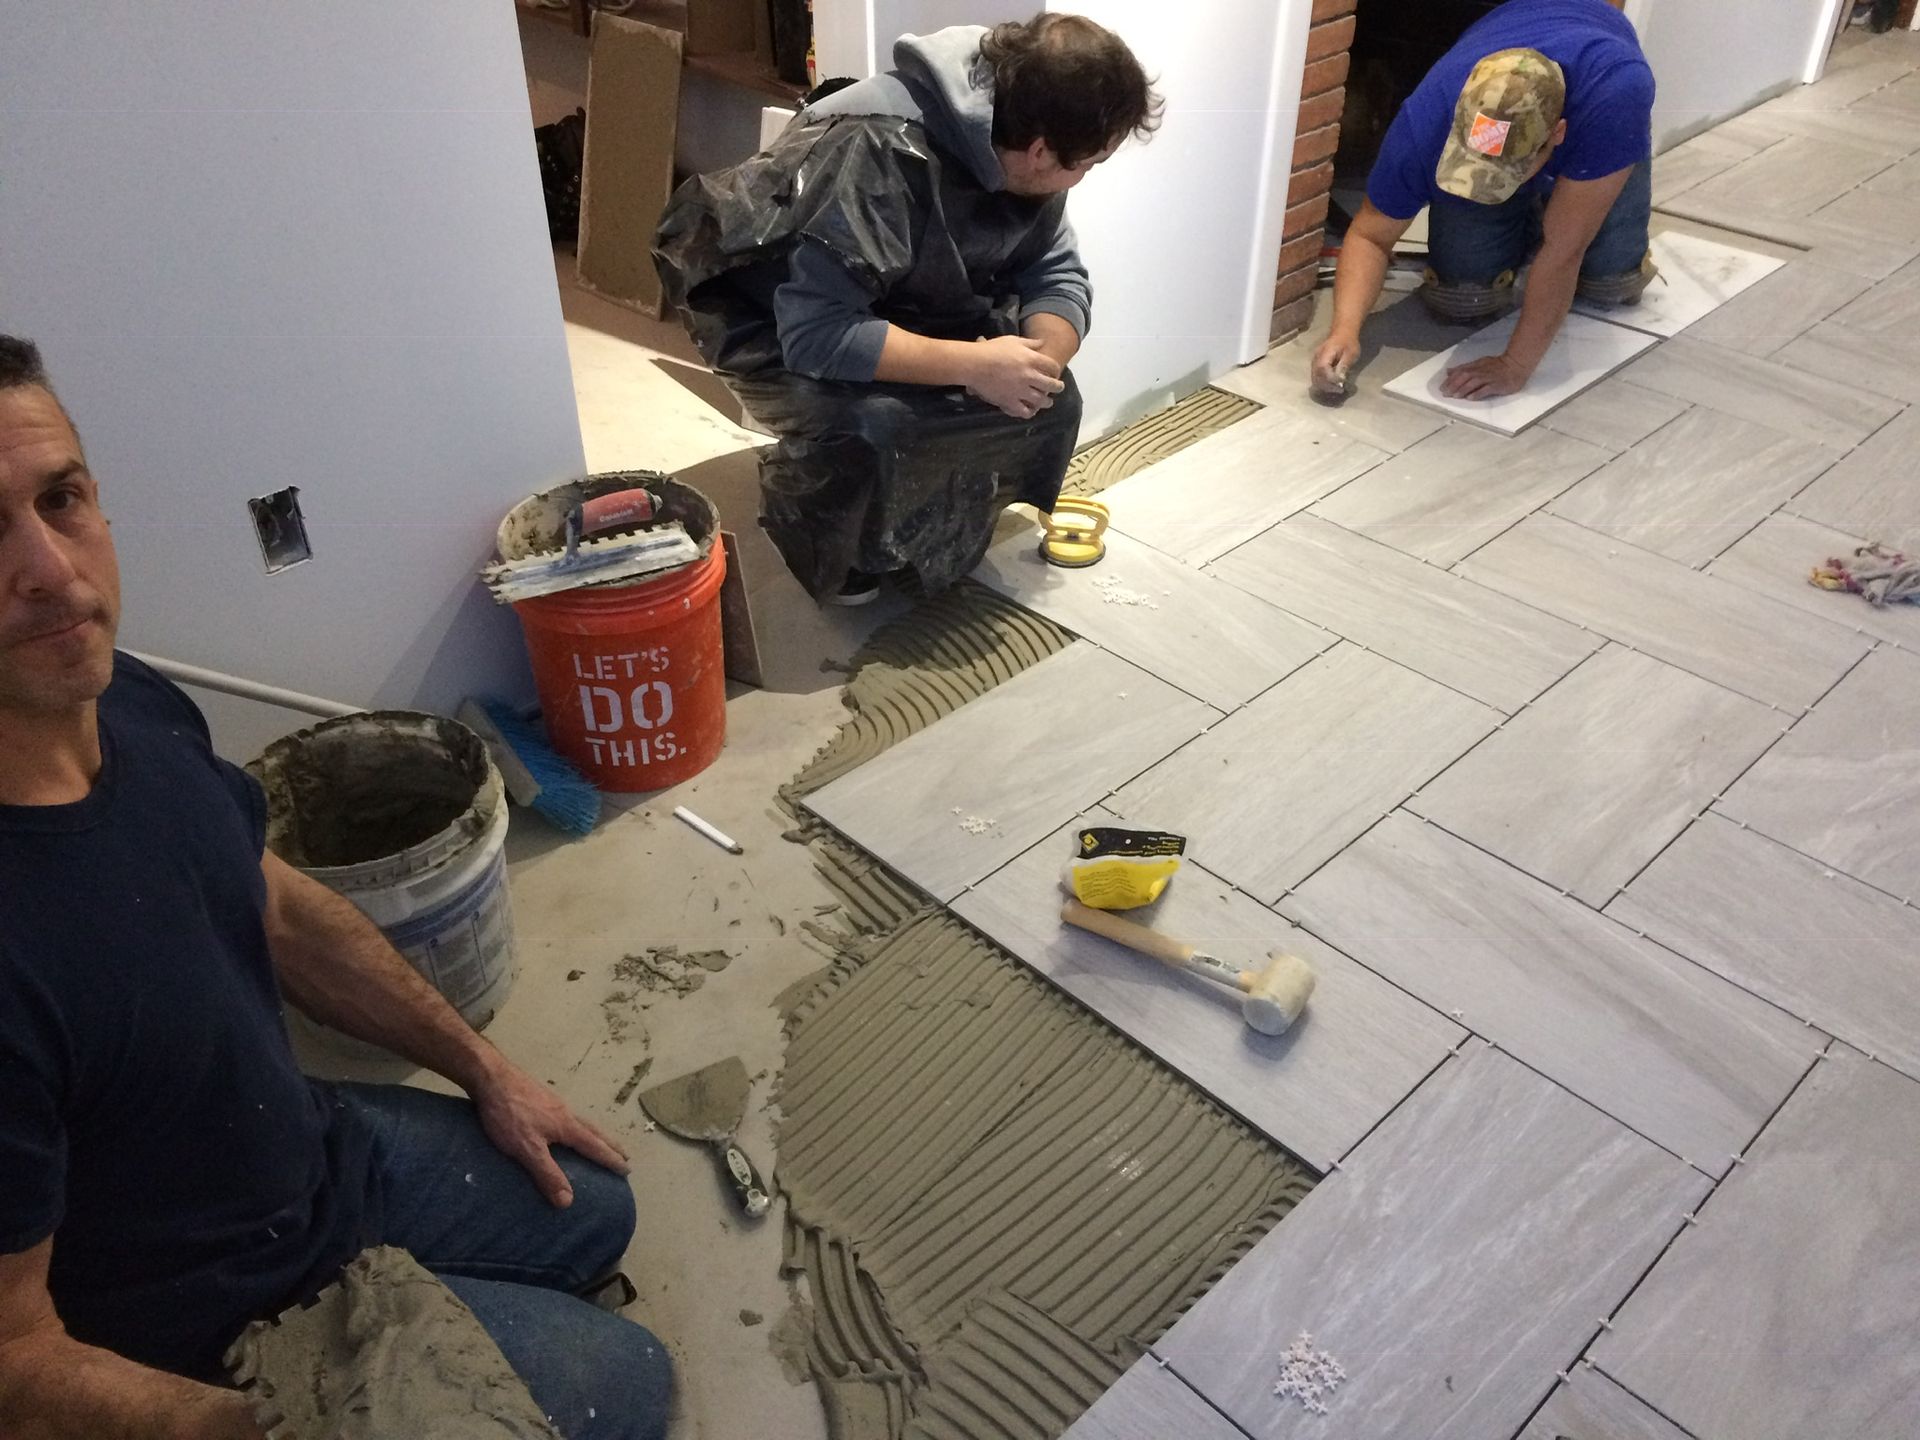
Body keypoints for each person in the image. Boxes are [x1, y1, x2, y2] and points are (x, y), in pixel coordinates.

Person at [0, 336, 671, 1439]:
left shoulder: (126, 700)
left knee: (599, 1210)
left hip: (311, 1155)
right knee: (630, 1383)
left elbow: (277, 907)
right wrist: (256, 1423)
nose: (50, 570)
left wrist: (486, 1071)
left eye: (59, 500)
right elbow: (15, 1356)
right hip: (202, 1316)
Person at [655, 14, 1159, 604]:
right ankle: (827, 540)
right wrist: (976, 366)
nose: (1085, 176)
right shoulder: (875, 150)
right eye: (1088, 164)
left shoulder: (1029, 132)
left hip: (895, 295)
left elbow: (1053, 269)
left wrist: (1038, 362)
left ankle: (931, 523)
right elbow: (818, 335)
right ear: (1042, 152)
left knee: (1052, 399)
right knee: (873, 426)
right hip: (766, 314)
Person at [1311, 0, 1656, 402]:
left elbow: (1564, 252)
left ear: (1558, 136)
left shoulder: (1615, 98)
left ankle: (1549, 211)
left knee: (1611, 283)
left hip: (1602, 116)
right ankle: (1522, 221)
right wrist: (1345, 331)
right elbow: (1370, 235)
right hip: (1514, 51)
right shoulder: (1428, 119)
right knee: (1462, 296)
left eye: (1503, 172)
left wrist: (1515, 365)